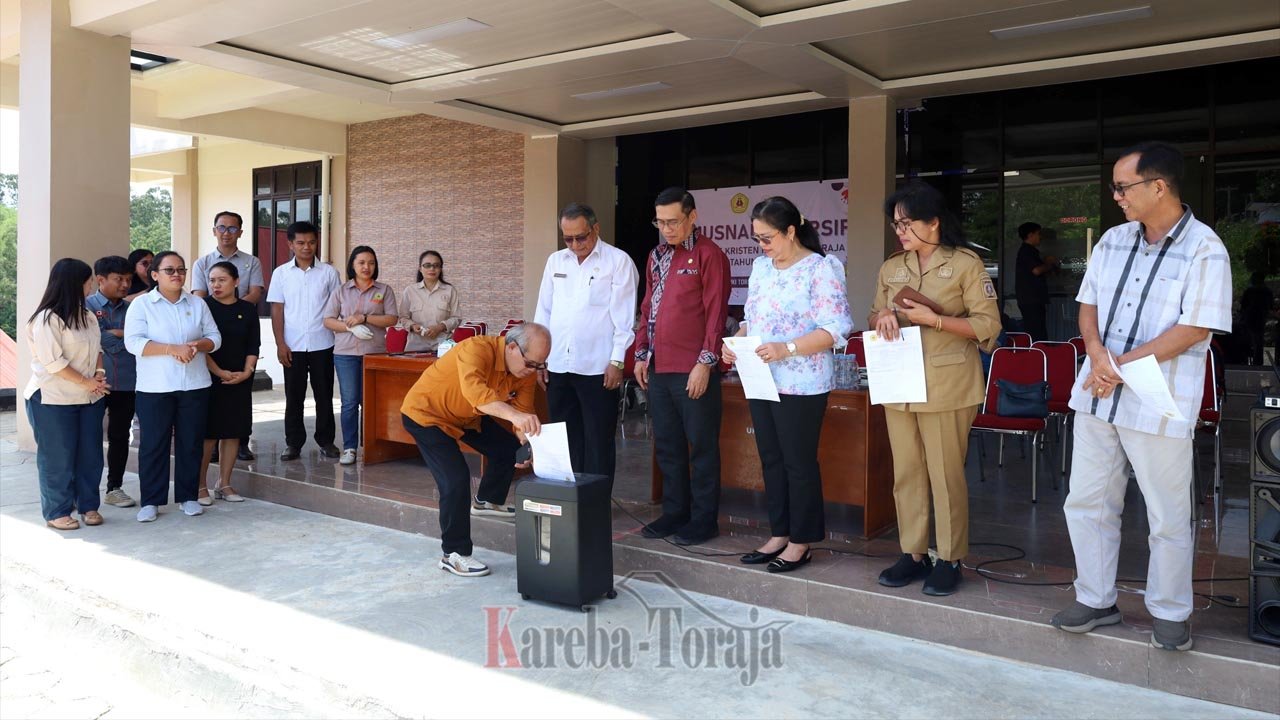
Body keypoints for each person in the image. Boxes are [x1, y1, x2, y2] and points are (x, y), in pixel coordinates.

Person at [1052, 142, 1231, 652]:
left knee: (1167, 513)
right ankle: (1096, 598)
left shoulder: (1204, 248)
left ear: (1159, 186)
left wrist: (1119, 367)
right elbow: (1087, 305)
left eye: (1123, 187)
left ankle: (1171, 611)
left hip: (1157, 402)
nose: (1116, 197)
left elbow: (1196, 328)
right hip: (1097, 395)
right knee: (1086, 501)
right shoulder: (1112, 240)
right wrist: (1096, 353)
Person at [869, 180, 1001, 596]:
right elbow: (875, 310)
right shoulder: (892, 266)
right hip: (900, 381)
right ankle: (912, 553)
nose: (901, 231)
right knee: (906, 472)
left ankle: (949, 557)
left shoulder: (965, 264)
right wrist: (883, 318)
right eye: (896, 224)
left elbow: (988, 326)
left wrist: (935, 320)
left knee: (944, 476)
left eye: (907, 223)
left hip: (947, 382)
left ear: (934, 222)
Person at [721, 197, 852, 573]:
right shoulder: (762, 268)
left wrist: (788, 348)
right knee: (771, 457)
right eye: (757, 239)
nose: (762, 246)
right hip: (762, 377)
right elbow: (751, 318)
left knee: (798, 461)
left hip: (803, 381)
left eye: (768, 238)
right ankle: (779, 532)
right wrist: (738, 342)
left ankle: (801, 540)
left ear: (791, 231)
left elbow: (835, 329)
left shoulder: (821, 268)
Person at [399, 323, 549, 577]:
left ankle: (487, 501)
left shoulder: (524, 373)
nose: (534, 371)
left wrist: (527, 443)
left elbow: (523, 414)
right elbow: (477, 395)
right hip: (427, 416)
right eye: (532, 363)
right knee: (455, 480)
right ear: (512, 348)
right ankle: (454, 554)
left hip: (466, 417)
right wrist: (514, 416)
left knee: (508, 450)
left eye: (540, 365)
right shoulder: (476, 349)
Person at [634, 187, 731, 546]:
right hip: (659, 367)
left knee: (701, 446)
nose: (666, 229)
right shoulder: (656, 255)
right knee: (669, 446)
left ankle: (705, 519)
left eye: (673, 221)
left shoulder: (710, 255)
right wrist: (642, 352)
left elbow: (717, 313)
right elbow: (648, 309)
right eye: (660, 222)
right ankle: (675, 512)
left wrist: (706, 363)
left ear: (692, 217)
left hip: (693, 369)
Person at [534, 202, 638, 483]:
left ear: (596, 229)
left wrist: (617, 361)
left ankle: (596, 503)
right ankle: (570, 498)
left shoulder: (618, 262)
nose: (575, 244)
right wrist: (539, 358)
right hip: (558, 365)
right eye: (568, 238)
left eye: (581, 237)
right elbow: (543, 312)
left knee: (598, 440)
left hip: (598, 368)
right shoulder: (556, 261)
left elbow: (624, 320)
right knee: (564, 437)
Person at [124, 250, 222, 522]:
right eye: (170, 270)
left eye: (181, 270)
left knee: (190, 443)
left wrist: (197, 345)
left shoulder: (197, 304)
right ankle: (151, 501)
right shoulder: (142, 305)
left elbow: (215, 337)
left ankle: (188, 496)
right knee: (154, 445)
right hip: (155, 387)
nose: (177, 274)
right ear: (155, 275)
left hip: (194, 384)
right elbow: (133, 342)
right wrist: (171, 349)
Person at [24, 259, 110, 531]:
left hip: (89, 397)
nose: (92, 285)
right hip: (52, 398)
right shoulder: (46, 319)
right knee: (57, 457)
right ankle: (57, 511)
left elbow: (98, 349)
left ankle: (88, 506)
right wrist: (88, 383)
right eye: (88, 281)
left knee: (91, 455)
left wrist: (97, 374)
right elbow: (54, 363)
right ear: (75, 283)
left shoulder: (87, 315)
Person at [192, 210, 265, 461]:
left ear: (240, 232)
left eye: (232, 228)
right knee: (211, 409)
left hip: (240, 326)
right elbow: (199, 295)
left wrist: (234, 309)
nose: (226, 233)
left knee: (239, 407)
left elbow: (255, 293)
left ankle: (241, 443)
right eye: (221, 228)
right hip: (211, 328)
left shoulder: (251, 262)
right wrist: (221, 309)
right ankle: (210, 453)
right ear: (214, 231)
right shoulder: (202, 263)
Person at [266, 221, 342, 461]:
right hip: (292, 345)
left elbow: (336, 307)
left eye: (311, 242)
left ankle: (326, 441)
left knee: (324, 396)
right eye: (300, 243)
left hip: (323, 343)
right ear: (290, 244)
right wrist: (280, 343)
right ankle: (293, 444)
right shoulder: (280, 273)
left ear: (316, 242)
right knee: (294, 397)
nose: (306, 247)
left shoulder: (329, 273)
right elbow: (277, 310)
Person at [323, 246, 399, 465]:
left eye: (371, 263)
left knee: (372, 402)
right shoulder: (341, 290)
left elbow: (392, 319)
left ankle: (372, 446)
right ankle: (349, 448)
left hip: (375, 353)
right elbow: (328, 320)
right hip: (345, 353)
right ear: (353, 265)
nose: (367, 267)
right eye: (362, 262)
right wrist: (349, 327)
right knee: (349, 402)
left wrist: (365, 318)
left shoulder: (384, 290)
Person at [197, 261, 260, 505]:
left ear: (236, 282)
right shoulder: (204, 307)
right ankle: (200, 485)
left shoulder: (248, 308)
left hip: (240, 378)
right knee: (209, 434)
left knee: (233, 432)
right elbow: (201, 345)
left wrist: (247, 372)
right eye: (212, 280)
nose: (216, 285)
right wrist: (220, 373)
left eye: (221, 280)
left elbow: (253, 344)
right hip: (210, 377)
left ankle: (224, 483)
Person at [87, 255, 138, 508]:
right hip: (93, 384)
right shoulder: (85, 307)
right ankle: (83, 491)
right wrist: (122, 337)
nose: (125, 285)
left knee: (119, 437)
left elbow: (139, 341)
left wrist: (111, 334)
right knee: (88, 438)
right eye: (119, 279)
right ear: (101, 280)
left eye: (128, 280)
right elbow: (95, 341)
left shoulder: (134, 310)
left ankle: (114, 488)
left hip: (128, 383)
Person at [398, 250, 461, 353]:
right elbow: (403, 317)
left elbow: (457, 318)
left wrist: (440, 327)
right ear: (420, 268)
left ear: (440, 269)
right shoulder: (410, 291)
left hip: (443, 348)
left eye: (436, 265)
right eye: (427, 265)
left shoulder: (450, 290)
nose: (432, 268)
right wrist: (413, 326)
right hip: (415, 347)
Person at [1014, 221, 1058, 341]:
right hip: (1031, 299)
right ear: (1030, 235)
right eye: (1038, 234)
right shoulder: (1027, 251)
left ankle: (1039, 353)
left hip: (1032, 298)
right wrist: (1049, 264)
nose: (1041, 237)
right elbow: (1036, 270)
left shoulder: (1030, 251)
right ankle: (1038, 354)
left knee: (1037, 330)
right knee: (1036, 332)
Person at [1240, 270, 1273, 366]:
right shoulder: (1267, 291)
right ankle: (1258, 363)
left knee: (1247, 341)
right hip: (1260, 319)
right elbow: (1271, 306)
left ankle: (1245, 361)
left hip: (1249, 319)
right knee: (1258, 343)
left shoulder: (1249, 291)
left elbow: (1243, 306)